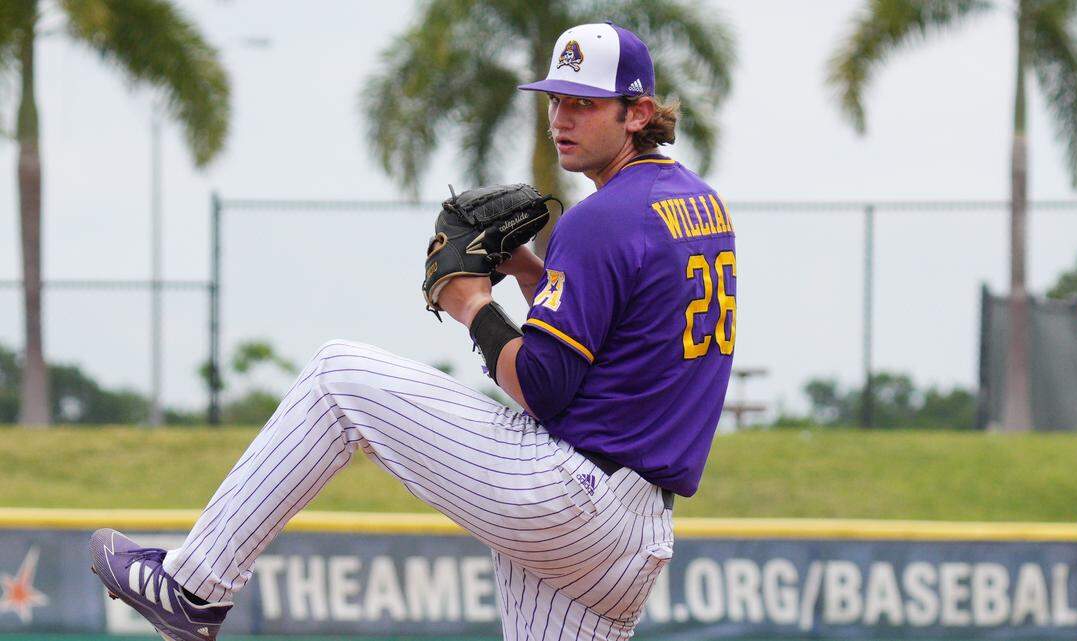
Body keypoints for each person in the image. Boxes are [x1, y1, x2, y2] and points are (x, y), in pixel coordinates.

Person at [89, 21, 736, 641]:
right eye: (555, 100)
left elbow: (545, 387)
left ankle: (194, 586)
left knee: (337, 376)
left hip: (572, 500)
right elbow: (616, 347)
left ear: (639, 111)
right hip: (634, 535)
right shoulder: (697, 206)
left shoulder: (601, 220)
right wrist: (530, 272)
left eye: (585, 104)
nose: (562, 118)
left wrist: (470, 303)